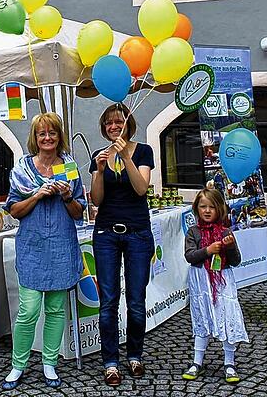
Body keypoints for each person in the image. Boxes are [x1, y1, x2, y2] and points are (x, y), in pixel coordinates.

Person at [2, 113, 86, 390]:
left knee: (55, 309)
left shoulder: (69, 167)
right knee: (28, 310)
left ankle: (50, 363)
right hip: (32, 246)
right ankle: (18, 365)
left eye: (52, 133)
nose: (47, 138)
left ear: (59, 136)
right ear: (35, 138)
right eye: (42, 134)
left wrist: (65, 196)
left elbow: (78, 212)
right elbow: (14, 210)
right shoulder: (22, 169)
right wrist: (37, 195)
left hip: (61, 245)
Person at [89, 103, 155, 386]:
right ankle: (111, 362)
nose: (113, 127)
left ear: (128, 123)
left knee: (136, 301)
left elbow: (141, 188)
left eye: (118, 122)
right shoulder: (98, 155)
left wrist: (125, 154)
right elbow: (96, 200)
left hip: (138, 233)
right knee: (108, 301)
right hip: (106, 232)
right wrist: (99, 170)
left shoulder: (143, 151)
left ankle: (135, 355)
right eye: (108, 124)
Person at [182, 188, 248, 384]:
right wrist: (208, 250)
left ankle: (229, 362)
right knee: (201, 318)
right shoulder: (193, 232)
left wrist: (230, 247)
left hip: (223, 280)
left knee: (227, 317)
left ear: (220, 209)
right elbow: (190, 256)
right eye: (203, 207)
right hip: (201, 281)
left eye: (212, 207)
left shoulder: (226, 232)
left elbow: (235, 261)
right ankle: (197, 361)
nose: (207, 210)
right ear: (197, 209)